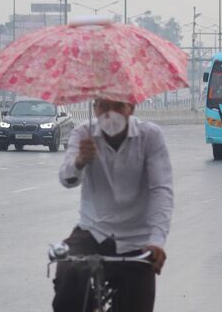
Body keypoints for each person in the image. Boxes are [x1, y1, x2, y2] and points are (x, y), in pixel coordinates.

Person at [53, 99, 174, 312]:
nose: (110, 113)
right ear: (94, 109)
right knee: (67, 281)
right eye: (103, 106)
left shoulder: (150, 136)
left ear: (131, 108)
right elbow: (66, 179)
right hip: (93, 232)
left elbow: (161, 190)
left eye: (118, 106)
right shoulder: (83, 134)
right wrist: (80, 161)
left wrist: (157, 240)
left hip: (136, 241)